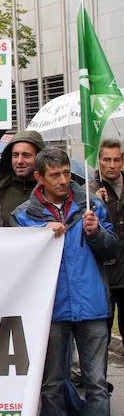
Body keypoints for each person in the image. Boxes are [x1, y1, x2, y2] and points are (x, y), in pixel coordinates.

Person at [11, 148, 118, 416]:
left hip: (92, 306)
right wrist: (38, 239)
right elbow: (15, 260)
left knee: (96, 383)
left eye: (66, 174)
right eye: (54, 175)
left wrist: (96, 233)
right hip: (51, 309)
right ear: (39, 177)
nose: (62, 180)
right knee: (52, 383)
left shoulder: (92, 205)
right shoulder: (24, 214)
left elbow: (112, 249)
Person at [91, 137, 124, 341]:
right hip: (104, 274)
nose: (111, 165)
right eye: (106, 160)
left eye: (116, 160)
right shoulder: (88, 191)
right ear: (99, 161)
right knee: (101, 335)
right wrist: (95, 203)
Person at [0, 130, 45, 226]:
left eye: (26, 155)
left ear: (39, 158)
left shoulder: (51, 191)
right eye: (15, 155)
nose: (19, 161)